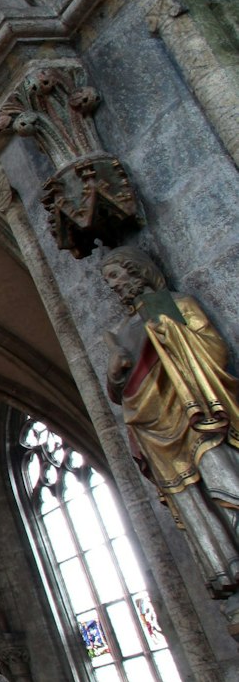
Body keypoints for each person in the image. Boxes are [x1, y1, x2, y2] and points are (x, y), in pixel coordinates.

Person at [102, 246, 239, 593]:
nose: (115, 285)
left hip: (193, 412)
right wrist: (115, 372)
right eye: (109, 280)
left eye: (117, 275)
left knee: (223, 479)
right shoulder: (121, 329)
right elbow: (117, 391)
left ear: (137, 271)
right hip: (151, 425)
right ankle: (224, 568)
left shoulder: (173, 304)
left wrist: (169, 334)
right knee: (189, 499)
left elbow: (215, 350)